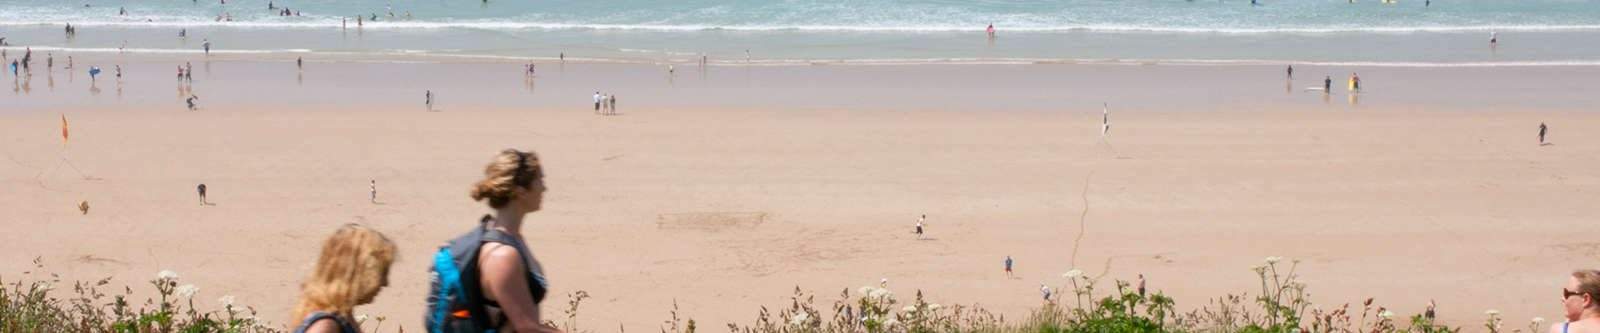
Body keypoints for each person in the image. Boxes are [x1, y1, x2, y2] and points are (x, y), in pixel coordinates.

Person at [461, 149, 562, 333]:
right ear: (520, 191)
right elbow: (527, 328)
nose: (544, 188)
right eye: (539, 180)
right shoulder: (502, 255)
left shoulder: (509, 238)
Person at [290, 224, 398, 333]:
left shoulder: (341, 317)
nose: (385, 283)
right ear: (358, 275)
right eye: (381, 273)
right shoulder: (327, 325)